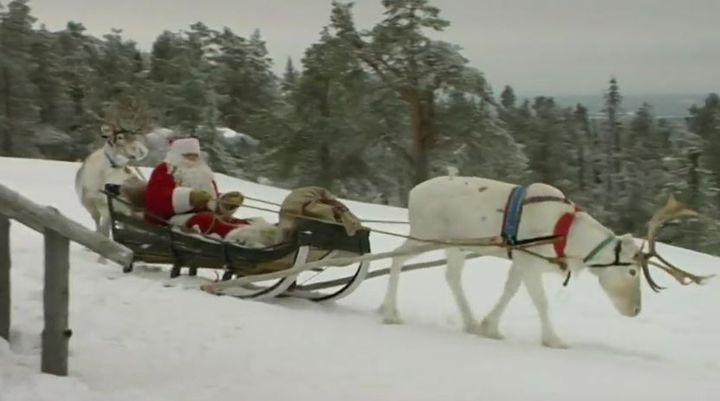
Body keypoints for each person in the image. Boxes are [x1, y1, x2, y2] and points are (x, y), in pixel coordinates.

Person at [143, 136, 282, 247]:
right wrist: (189, 198)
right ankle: (244, 240)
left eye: (195, 156)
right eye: (188, 156)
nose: (192, 160)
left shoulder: (203, 173)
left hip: (204, 215)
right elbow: (156, 200)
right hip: (171, 220)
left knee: (228, 220)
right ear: (177, 155)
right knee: (208, 220)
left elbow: (211, 199)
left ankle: (265, 234)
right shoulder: (164, 171)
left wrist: (225, 202)